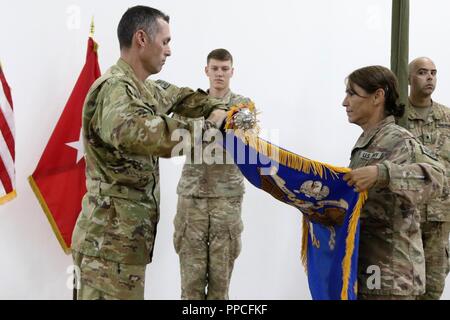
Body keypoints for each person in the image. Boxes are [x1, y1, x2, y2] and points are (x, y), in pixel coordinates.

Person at [71, 6, 232, 300]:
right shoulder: (115, 90)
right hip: (106, 251)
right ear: (142, 39)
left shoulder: (142, 89)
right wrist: (207, 127)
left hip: (123, 248)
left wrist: (218, 107)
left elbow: (180, 96)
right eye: (166, 41)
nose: (169, 50)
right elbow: (142, 133)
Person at [342, 65, 445, 300]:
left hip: (393, 275)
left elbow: (437, 178)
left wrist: (383, 174)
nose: (345, 102)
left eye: (352, 93)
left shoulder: (398, 138)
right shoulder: (369, 140)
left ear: (378, 96)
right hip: (371, 270)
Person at [172, 49, 252, 300]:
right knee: (191, 285)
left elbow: (247, 133)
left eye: (224, 68)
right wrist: (206, 121)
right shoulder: (191, 105)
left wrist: (224, 119)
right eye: (215, 68)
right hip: (192, 197)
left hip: (226, 199)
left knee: (220, 287)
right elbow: (175, 139)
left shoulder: (243, 107)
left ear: (232, 72)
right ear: (206, 70)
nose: (219, 73)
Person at [399, 57, 449, 299]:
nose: (430, 77)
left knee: (433, 288)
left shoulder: (447, 118)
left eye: (433, 72)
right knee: (404, 286)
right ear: (408, 78)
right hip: (407, 216)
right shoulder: (397, 118)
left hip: (441, 219)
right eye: (422, 72)